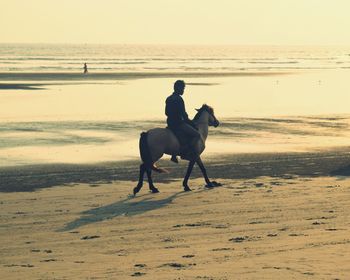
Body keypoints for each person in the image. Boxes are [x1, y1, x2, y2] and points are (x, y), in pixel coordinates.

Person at [165, 80, 201, 162]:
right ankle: (186, 153)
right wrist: (192, 123)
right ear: (178, 88)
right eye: (183, 88)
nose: (183, 90)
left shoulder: (169, 98)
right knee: (197, 135)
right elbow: (184, 115)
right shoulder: (179, 99)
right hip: (178, 123)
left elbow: (166, 112)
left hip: (170, 123)